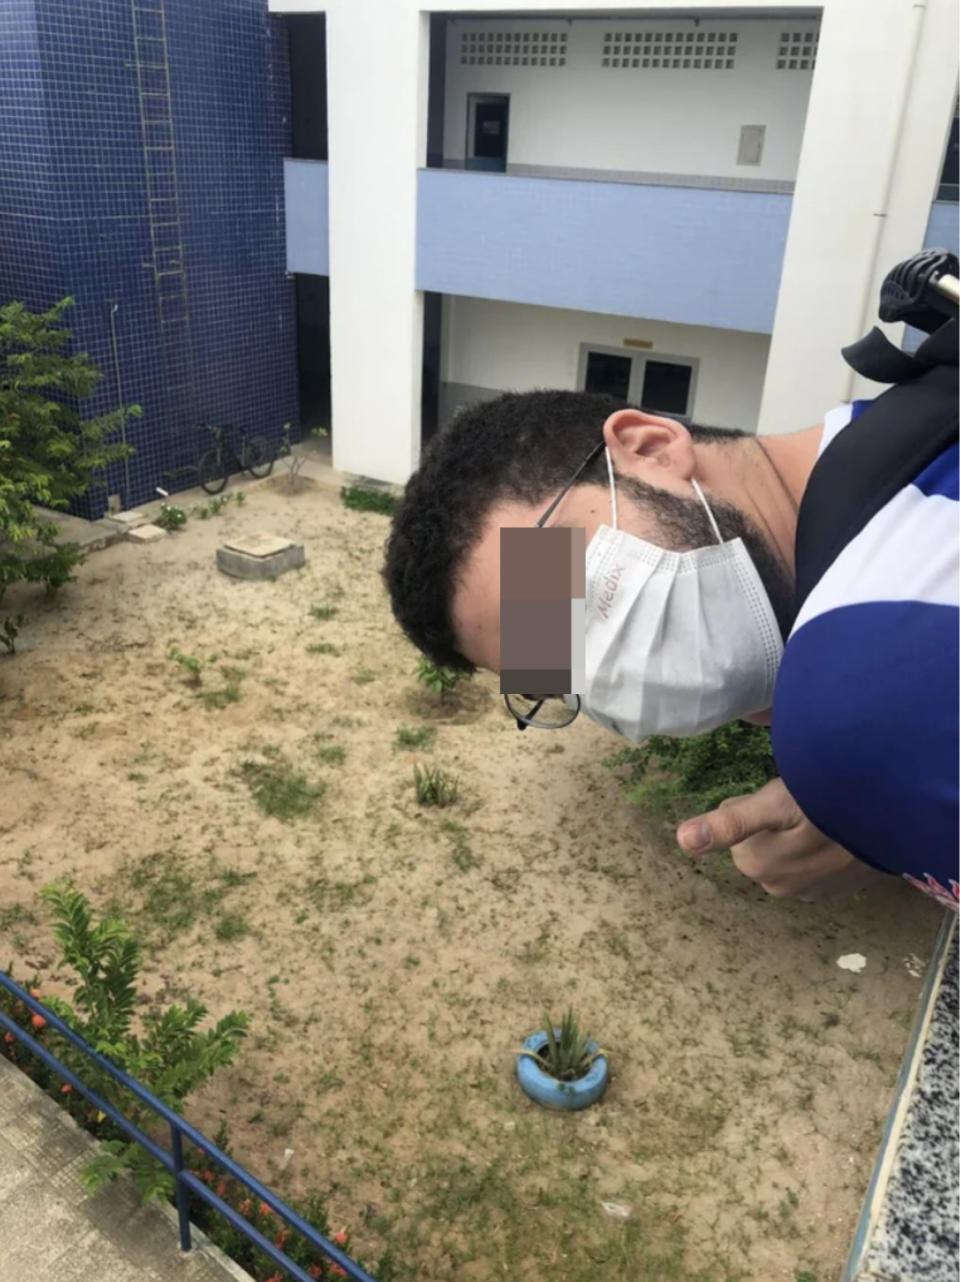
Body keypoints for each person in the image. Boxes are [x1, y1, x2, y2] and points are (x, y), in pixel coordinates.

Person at [382, 387, 958, 908]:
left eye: (559, 599)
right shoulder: (913, 422)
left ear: (650, 447)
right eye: (557, 674)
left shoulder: (865, 693)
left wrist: (873, 814)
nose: (614, 670)